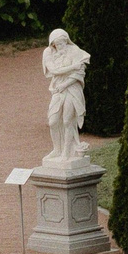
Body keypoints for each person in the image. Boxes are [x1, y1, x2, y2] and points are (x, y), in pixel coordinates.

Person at [42, 28, 91, 169]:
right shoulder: (48, 52)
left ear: (66, 41)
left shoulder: (75, 51)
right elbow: (54, 71)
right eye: (56, 44)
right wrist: (73, 66)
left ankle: (66, 152)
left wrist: (65, 84)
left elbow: (79, 74)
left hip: (71, 89)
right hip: (57, 89)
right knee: (53, 121)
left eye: (62, 43)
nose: (59, 47)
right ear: (52, 44)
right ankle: (57, 149)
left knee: (67, 120)